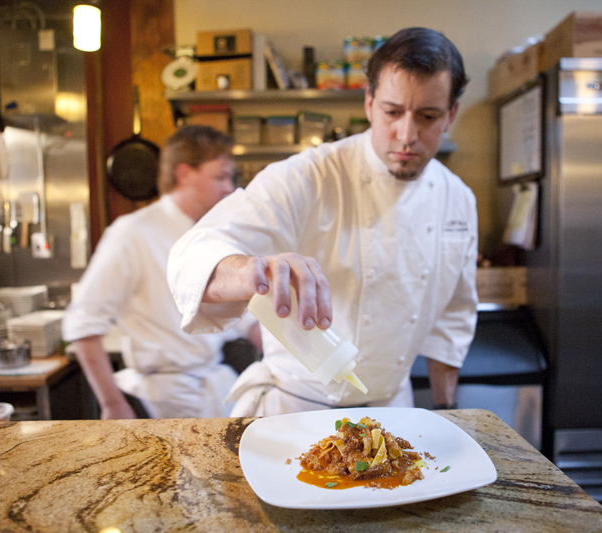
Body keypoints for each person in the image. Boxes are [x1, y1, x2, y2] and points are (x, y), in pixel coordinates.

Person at [167, 27, 477, 416]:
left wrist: (447, 410)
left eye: (428, 116)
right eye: (392, 112)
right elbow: (192, 254)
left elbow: (454, 316)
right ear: (368, 103)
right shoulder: (310, 175)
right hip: (294, 411)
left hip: (392, 411)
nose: (407, 134)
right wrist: (251, 269)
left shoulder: (459, 200)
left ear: (451, 115)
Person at [63, 125, 259, 420]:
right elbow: (83, 326)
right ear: (184, 174)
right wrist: (112, 404)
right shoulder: (131, 234)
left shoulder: (213, 236)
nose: (229, 188)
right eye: (220, 176)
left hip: (215, 390)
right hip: (163, 403)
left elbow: (246, 319)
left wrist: (294, 361)